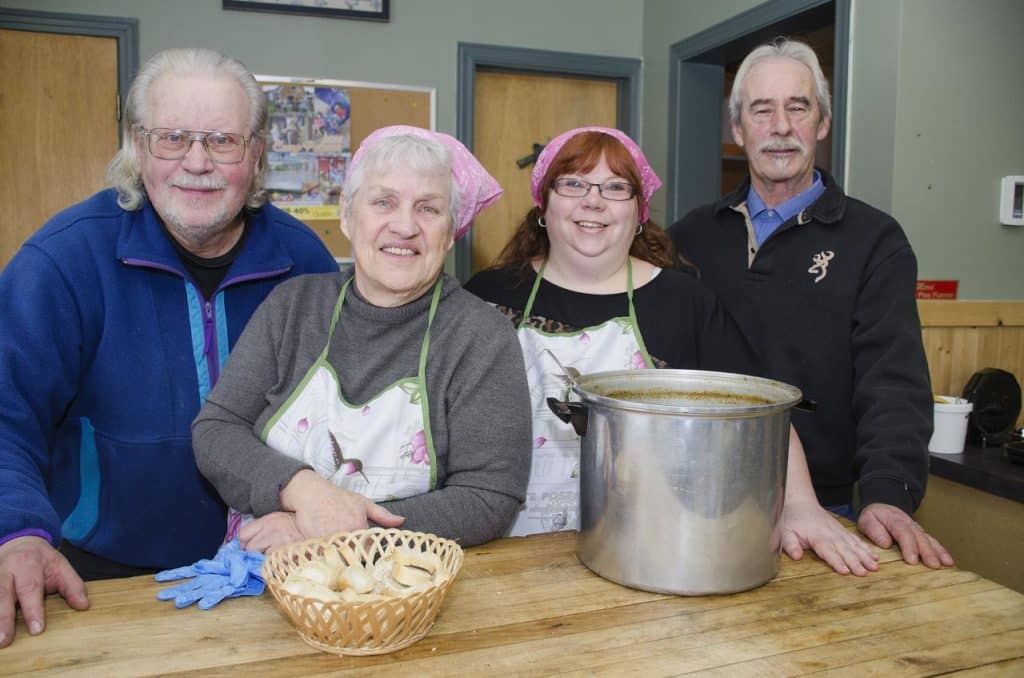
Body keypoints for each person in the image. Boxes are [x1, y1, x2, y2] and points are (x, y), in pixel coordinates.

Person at [0, 47, 339, 647]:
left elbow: (349, 416)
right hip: (102, 584)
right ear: (137, 145)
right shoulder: (60, 263)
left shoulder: (306, 265)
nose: (197, 163)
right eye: (173, 137)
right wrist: (18, 531)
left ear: (257, 153)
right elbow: (7, 419)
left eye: (223, 141)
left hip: (277, 573)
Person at [465, 125, 876, 576]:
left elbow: (762, 405)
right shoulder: (488, 294)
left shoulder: (684, 302)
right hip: (505, 553)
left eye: (616, 187)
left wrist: (800, 504)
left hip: (645, 551)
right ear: (545, 203)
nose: (593, 200)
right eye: (574, 183)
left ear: (639, 211)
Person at [668, 40, 954, 569]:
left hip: (826, 507)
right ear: (738, 130)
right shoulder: (688, 237)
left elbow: (892, 379)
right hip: (693, 496)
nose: (780, 126)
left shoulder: (876, 241)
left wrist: (889, 491)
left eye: (798, 107)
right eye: (761, 110)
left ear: (821, 124)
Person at [192, 125, 532, 554]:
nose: (405, 226)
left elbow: (489, 497)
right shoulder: (293, 307)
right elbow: (217, 431)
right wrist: (303, 492)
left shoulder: (481, 337)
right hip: (266, 566)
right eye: (383, 202)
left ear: (450, 233)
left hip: (405, 579)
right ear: (348, 216)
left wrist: (337, 532)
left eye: (428, 209)